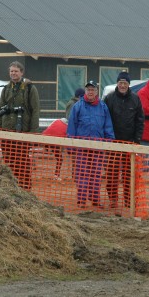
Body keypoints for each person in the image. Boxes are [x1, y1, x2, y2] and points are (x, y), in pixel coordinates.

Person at [67, 80, 115, 208]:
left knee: (96, 173)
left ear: (97, 91)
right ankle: (82, 199)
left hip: (98, 146)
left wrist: (109, 142)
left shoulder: (103, 107)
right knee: (82, 173)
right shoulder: (77, 106)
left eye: (93, 89)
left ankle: (95, 199)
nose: (90, 92)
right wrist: (70, 145)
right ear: (85, 91)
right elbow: (72, 126)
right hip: (82, 146)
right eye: (88, 89)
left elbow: (108, 126)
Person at [0, 61, 41, 190]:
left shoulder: (30, 89)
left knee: (22, 161)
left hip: (22, 131)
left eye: (16, 71)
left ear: (22, 72)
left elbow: (35, 110)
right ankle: (11, 187)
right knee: (8, 160)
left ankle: (25, 187)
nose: (13, 73)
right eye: (11, 71)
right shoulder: (6, 89)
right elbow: (0, 109)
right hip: (6, 131)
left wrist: (33, 133)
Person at [104, 71, 144, 210]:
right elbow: (105, 119)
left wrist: (137, 140)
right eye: (120, 82)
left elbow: (140, 121)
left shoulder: (135, 99)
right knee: (112, 173)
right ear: (117, 83)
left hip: (130, 142)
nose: (122, 85)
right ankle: (113, 199)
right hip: (113, 142)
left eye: (125, 83)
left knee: (129, 174)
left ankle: (129, 200)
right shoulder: (109, 98)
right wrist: (107, 139)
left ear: (128, 84)